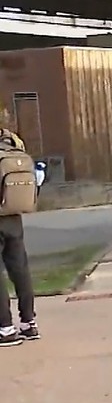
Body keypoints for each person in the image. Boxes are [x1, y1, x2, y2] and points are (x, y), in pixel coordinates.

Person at [0, 117, 38, 347]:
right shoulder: (12, 141)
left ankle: (5, 328)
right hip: (14, 215)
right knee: (20, 269)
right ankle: (29, 323)